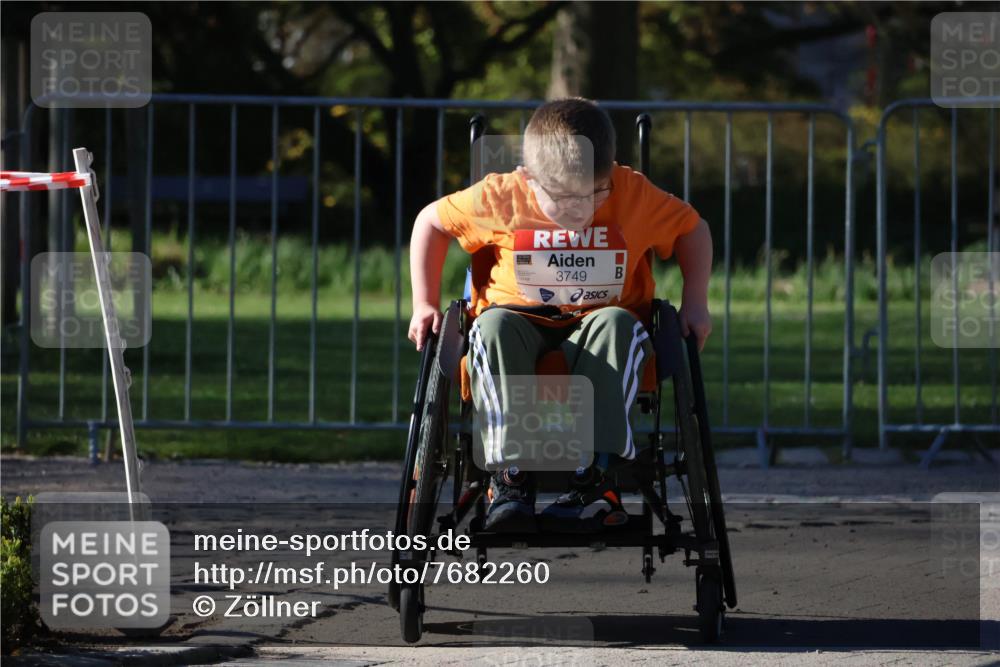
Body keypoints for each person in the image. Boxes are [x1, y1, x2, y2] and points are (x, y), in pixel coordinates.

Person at [408, 98, 712, 533]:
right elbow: (430, 223)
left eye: (594, 194)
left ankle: (597, 480)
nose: (579, 212)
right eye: (564, 199)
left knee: (618, 324)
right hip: (517, 320)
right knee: (491, 326)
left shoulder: (632, 192)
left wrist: (696, 301)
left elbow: (691, 229)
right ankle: (510, 477)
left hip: (600, 319)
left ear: (611, 171)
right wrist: (424, 303)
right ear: (530, 178)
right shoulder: (501, 195)